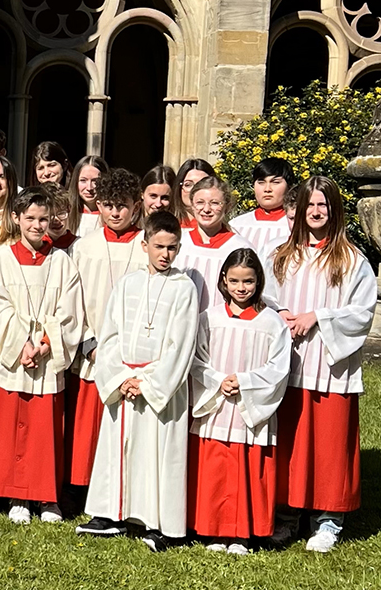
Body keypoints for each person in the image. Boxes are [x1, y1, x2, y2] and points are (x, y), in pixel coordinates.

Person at [77, 210, 199, 552]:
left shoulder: (184, 288)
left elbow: (182, 344)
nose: (165, 254)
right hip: (124, 380)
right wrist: (120, 376)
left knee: (158, 456)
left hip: (159, 386)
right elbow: (110, 334)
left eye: (172, 248)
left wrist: (147, 382)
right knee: (120, 448)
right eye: (158, 246)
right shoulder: (128, 283)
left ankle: (161, 524)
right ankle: (110, 514)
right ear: (144, 245)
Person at [268, 176, 377, 553]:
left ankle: (328, 520)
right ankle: (287, 516)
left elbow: (362, 312)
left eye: (323, 206)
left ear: (334, 211)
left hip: (330, 365)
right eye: (310, 205)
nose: (316, 212)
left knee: (329, 447)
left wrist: (317, 317)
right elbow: (263, 296)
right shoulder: (283, 254)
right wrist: (281, 311)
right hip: (291, 363)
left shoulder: (351, 259)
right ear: (299, 210)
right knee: (291, 444)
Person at [0, 187, 84, 524]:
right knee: (12, 427)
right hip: (16, 355)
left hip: (46, 354)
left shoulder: (62, 262)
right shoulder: (1, 259)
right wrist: (20, 343)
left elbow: (71, 311)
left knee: (44, 432)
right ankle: (16, 496)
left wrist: (45, 341)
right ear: (16, 219)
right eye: (31, 219)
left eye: (44, 219)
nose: (38, 225)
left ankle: (46, 497)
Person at [188, 248, 291, 554]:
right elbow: (196, 360)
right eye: (234, 280)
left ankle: (243, 533)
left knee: (247, 468)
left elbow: (278, 367)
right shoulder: (209, 318)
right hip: (216, 406)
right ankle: (214, 531)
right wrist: (219, 380)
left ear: (258, 281)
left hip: (249, 410)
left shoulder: (271, 322)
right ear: (223, 281)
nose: (241, 287)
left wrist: (244, 382)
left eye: (248, 280)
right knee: (216, 469)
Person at [68, 168, 146, 491]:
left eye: (123, 205)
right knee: (88, 427)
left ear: (136, 206)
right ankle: (81, 488)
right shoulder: (83, 247)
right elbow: (72, 300)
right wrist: (90, 343)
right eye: (109, 204)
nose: (116, 212)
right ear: (98, 206)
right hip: (93, 351)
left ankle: (122, 488)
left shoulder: (146, 246)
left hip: (132, 353)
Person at [177, 176, 256, 312]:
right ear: (192, 204)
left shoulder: (240, 247)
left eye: (214, 203)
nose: (206, 209)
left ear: (227, 205)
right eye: (200, 202)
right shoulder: (179, 243)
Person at [231, 157, 297, 260]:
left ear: (289, 186)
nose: (267, 189)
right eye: (261, 182)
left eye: (275, 182)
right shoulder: (236, 225)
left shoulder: (296, 225)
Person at [69, 155, 108, 237]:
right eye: (83, 181)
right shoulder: (66, 212)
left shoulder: (112, 215)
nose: (89, 187)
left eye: (95, 181)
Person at [175, 158, 216, 229]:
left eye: (202, 184)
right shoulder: (165, 226)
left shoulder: (226, 230)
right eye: (188, 185)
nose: (194, 190)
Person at [43, 183, 78, 252]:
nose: (56, 220)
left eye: (61, 213)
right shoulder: (36, 246)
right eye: (50, 215)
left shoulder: (79, 245)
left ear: (68, 210)